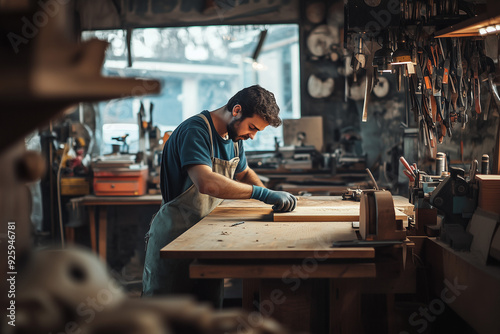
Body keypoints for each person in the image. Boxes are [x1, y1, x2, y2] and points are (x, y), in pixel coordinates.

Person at [142, 85, 297, 306]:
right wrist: (263, 193)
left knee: (206, 314)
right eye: (252, 127)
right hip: (174, 240)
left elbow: (243, 174)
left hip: (207, 239)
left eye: (256, 132)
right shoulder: (196, 131)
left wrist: (268, 202)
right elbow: (206, 182)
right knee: (164, 317)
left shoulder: (234, 139)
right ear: (236, 110)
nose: (251, 136)